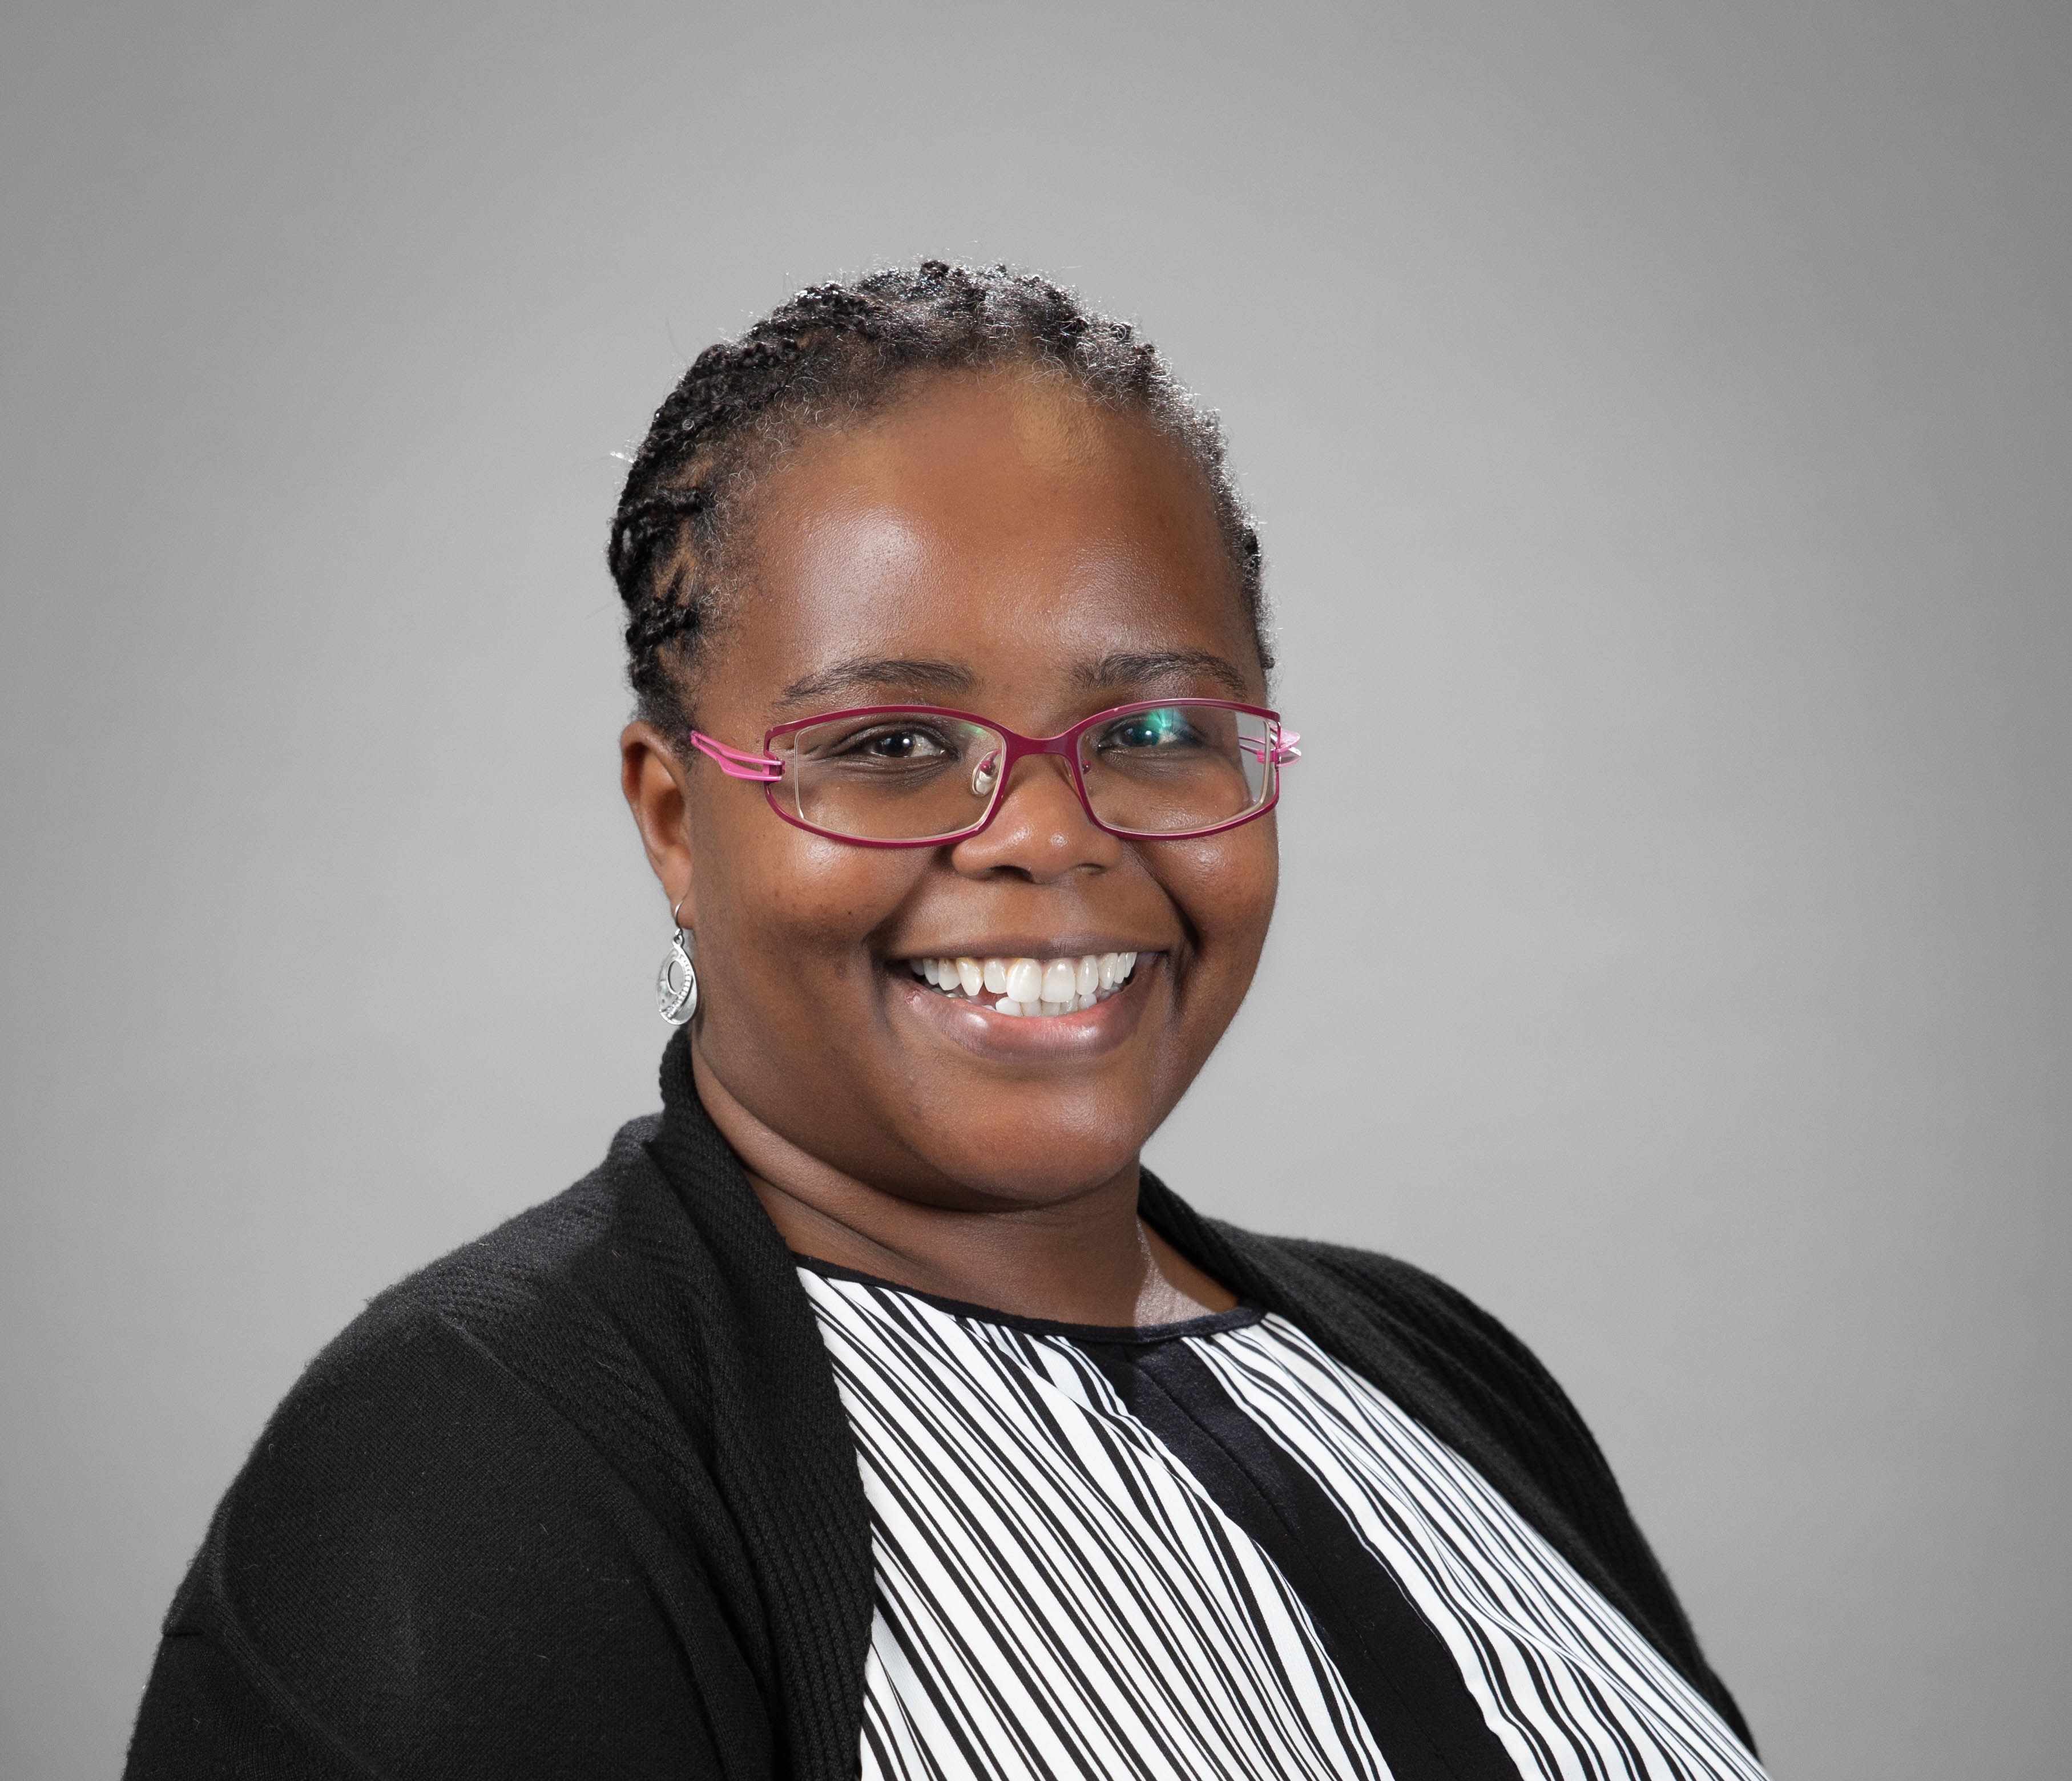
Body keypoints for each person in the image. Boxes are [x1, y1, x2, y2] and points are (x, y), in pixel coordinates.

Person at [126, 261, 1765, 1781]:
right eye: (893, 744)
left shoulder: (1435, 1366)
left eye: (1158, 728)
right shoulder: (470, 1473)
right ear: (677, 823)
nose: (1049, 835)